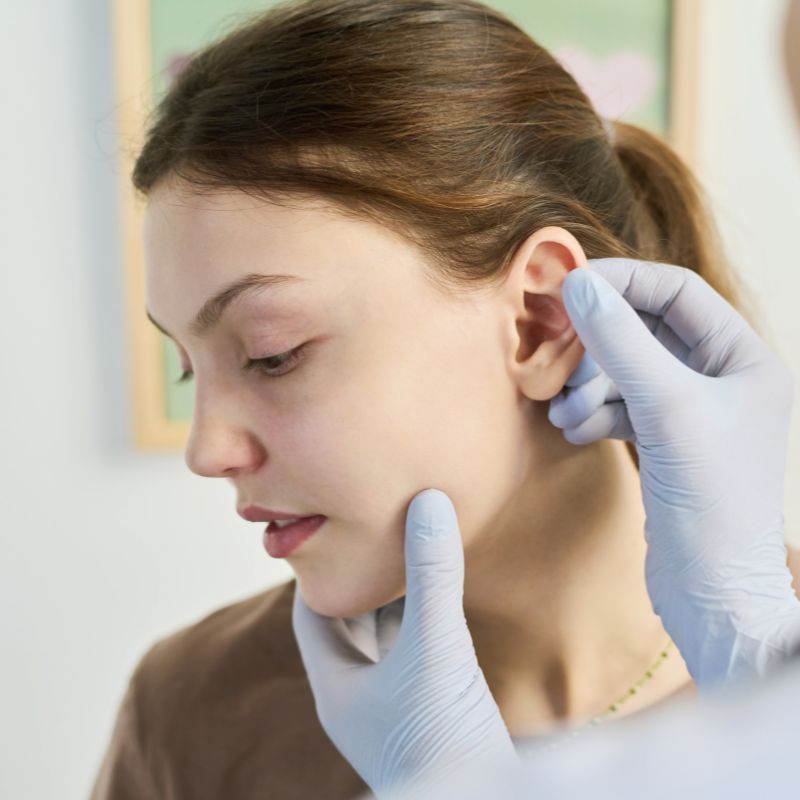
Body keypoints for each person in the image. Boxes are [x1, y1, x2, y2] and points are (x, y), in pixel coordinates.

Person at [89, 1, 800, 798]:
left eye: (271, 353)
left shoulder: (766, 652)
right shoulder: (194, 714)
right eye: (189, 367)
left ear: (539, 319)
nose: (206, 449)